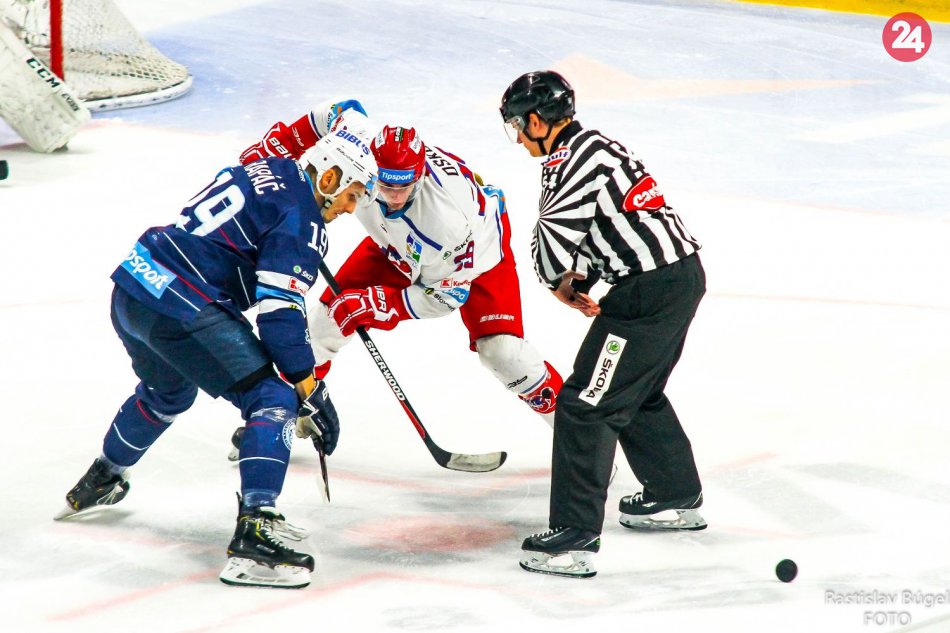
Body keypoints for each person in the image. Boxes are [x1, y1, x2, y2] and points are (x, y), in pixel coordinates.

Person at [55, 130, 379, 589]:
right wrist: (308, 385)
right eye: (352, 194)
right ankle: (255, 532)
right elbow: (279, 314)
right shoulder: (302, 221)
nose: (349, 208)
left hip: (134, 284)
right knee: (273, 400)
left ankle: (103, 476)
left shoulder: (272, 169)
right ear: (328, 177)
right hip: (181, 303)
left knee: (168, 392)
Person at [238, 100, 564, 436]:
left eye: (403, 188)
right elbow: (337, 112)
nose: (394, 198)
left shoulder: (446, 223)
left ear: (420, 177)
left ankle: (579, 436)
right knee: (324, 322)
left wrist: (376, 305)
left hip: (475, 257)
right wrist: (276, 148)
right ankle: (279, 418)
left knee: (504, 354)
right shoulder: (361, 142)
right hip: (395, 244)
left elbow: (446, 296)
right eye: (386, 186)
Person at [500, 70, 707, 579]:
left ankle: (574, 538)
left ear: (536, 121)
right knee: (636, 392)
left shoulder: (566, 163)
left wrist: (559, 282)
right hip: (678, 278)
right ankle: (674, 493)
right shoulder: (596, 146)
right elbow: (609, 223)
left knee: (585, 405)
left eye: (517, 127)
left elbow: (552, 243)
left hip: (646, 295)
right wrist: (582, 276)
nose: (518, 139)